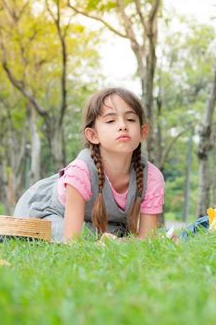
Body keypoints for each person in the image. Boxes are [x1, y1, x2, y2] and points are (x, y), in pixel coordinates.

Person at [14, 88, 164, 242]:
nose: (123, 126)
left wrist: (122, 242)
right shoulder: (81, 171)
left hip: (97, 222)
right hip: (50, 212)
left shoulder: (151, 177)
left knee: (112, 235)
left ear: (143, 132)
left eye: (131, 119)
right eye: (111, 121)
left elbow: (147, 239)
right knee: (84, 236)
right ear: (93, 135)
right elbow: (72, 239)